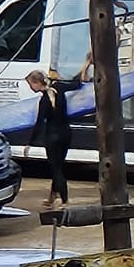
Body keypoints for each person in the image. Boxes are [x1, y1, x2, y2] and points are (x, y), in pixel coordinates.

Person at [27, 67, 86, 210]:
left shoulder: (44, 101)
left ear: (36, 83)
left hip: (53, 137)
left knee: (56, 169)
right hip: (66, 134)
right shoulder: (58, 87)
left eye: (30, 84)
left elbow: (40, 123)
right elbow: (77, 84)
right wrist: (85, 67)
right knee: (58, 165)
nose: (30, 88)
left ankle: (65, 200)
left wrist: (30, 143)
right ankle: (52, 197)